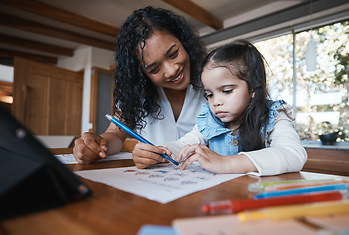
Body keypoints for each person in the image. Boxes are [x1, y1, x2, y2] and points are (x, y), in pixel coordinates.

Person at [73, 6, 206, 167]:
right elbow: (115, 134)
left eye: (173, 54)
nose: (171, 71)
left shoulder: (212, 81)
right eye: (154, 69)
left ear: (183, 42)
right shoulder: (137, 94)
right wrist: (99, 144)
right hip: (159, 183)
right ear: (141, 73)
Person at [161, 40, 307, 176]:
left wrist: (227, 163)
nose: (216, 102)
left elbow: (293, 154)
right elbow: (183, 145)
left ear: (253, 88)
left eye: (226, 91)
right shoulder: (209, 120)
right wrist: (160, 152)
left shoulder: (274, 116)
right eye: (209, 94)